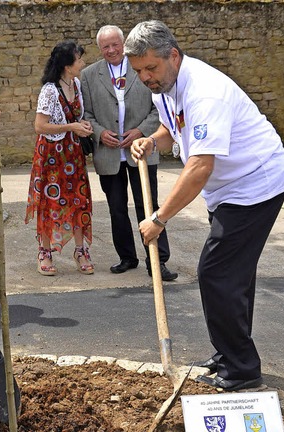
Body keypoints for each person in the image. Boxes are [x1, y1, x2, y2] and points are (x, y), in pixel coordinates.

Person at [126, 20, 284, 391]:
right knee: (233, 276)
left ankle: (241, 368)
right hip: (229, 188)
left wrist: (159, 218)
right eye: (138, 71)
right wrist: (153, 140)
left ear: (173, 55)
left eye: (151, 68)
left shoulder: (206, 91)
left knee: (217, 274)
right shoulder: (164, 87)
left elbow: (200, 166)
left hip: (254, 186)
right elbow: (175, 126)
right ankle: (229, 353)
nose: (146, 77)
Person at [80, 25, 178, 282]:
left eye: (115, 44)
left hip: (141, 151)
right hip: (109, 154)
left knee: (150, 208)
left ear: (123, 43)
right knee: (116, 209)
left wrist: (141, 131)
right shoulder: (89, 75)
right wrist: (100, 133)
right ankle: (127, 257)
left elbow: (160, 108)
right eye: (105, 47)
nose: (111, 50)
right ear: (99, 49)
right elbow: (86, 114)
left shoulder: (142, 68)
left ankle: (158, 261)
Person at [25, 40, 94, 276]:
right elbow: (40, 126)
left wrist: (80, 125)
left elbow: (75, 116)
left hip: (72, 153)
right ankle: (44, 252)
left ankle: (80, 249)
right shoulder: (49, 90)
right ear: (67, 65)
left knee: (78, 199)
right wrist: (72, 126)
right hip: (52, 155)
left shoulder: (76, 84)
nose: (82, 63)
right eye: (79, 60)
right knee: (49, 201)